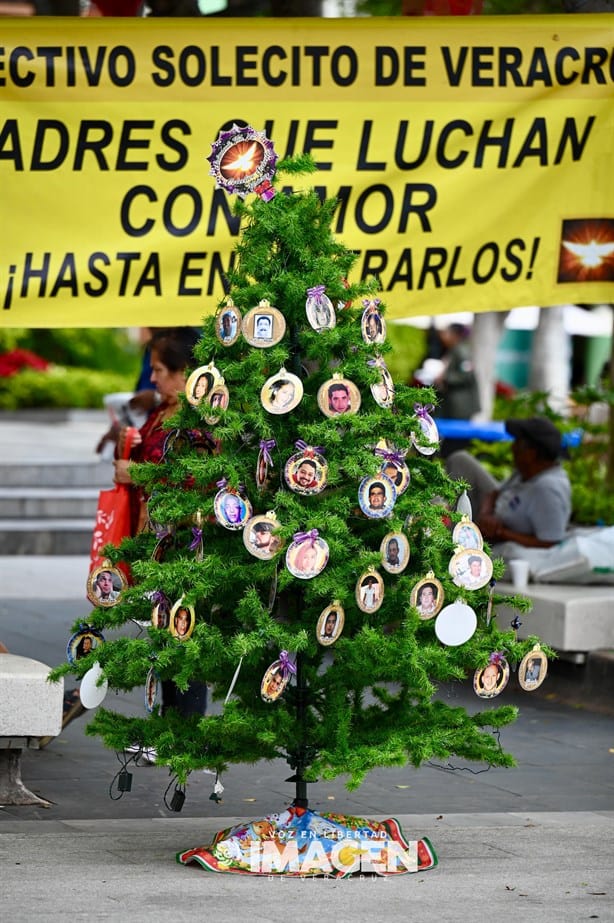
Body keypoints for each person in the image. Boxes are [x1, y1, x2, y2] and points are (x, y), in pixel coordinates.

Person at [113, 328, 216, 535]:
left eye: (158, 370)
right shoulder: (162, 410)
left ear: (184, 371)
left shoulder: (203, 419)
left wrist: (138, 474)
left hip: (181, 545)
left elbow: (201, 481)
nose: (151, 378)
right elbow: (131, 464)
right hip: (145, 534)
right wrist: (124, 445)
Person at [446, 417, 572, 556]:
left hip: (502, 539)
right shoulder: (526, 471)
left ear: (531, 454)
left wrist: (501, 532)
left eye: (518, 443)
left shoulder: (547, 488)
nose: (513, 447)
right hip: (492, 516)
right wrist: (486, 513)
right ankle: (448, 530)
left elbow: (549, 542)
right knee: (460, 459)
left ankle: (448, 546)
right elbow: (495, 493)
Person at [432, 323, 480, 421]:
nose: (443, 336)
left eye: (446, 333)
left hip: (461, 406)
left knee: (459, 434)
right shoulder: (454, 349)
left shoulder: (462, 351)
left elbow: (466, 375)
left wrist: (444, 378)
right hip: (455, 405)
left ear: (454, 335)